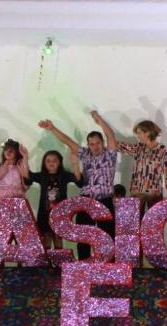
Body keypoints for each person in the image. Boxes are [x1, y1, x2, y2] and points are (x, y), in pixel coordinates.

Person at [38, 111, 117, 260]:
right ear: (88, 145)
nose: (95, 146)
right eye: (92, 144)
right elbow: (68, 141)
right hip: (86, 200)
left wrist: (99, 120)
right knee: (83, 235)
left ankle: (108, 266)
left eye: (98, 143)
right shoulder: (85, 154)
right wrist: (52, 128)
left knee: (108, 235)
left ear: (103, 143)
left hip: (104, 199)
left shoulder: (110, 154)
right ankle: (83, 264)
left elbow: (110, 135)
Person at [22, 150, 84, 250]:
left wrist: (74, 163)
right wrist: (25, 158)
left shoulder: (64, 176)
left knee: (57, 238)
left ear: (59, 162)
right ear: (44, 163)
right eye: (48, 161)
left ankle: (58, 259)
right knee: (46, 239)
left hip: (59, 214)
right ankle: (47, 260)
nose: (51, 163)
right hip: (44, 214)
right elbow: (27, 178)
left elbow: (79, 181)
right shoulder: (42, 176)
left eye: (54, 160)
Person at [117, 119, 167, 213]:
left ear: (147, 132)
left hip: (154, 193)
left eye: (139, 133)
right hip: (137, 192)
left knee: (154, 220)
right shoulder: (138, 148)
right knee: (136, 220)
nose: (137, 136)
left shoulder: (162, 150)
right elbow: (119, 146)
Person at [0, 139, 27, 212]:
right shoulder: (0, 165)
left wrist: (25, 157)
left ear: (17, 153)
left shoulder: (19, 165)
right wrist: (3, 169)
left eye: (11, 150)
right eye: (6, 149)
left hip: (17, 197)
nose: (8, 152)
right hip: (3, 197)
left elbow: (25, 183)